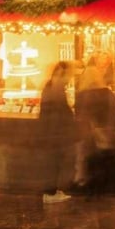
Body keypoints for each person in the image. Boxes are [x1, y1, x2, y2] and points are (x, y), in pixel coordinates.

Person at [75, 54, 115, 199]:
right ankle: (103, 189)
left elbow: (79, 114)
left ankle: (89, 190)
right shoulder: (108, 94)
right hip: (105, 133)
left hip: (88, 134)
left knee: (89, 162)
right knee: (103, 161)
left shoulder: (82, 95)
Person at [38, 61, 75, 204]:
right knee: (53, 162)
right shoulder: (57, 89)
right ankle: (50, 193)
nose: (70, 78)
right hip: (54, 132)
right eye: (69, 75)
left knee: (53, 162)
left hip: (50, 131)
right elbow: (60, 112)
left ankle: (51, 190)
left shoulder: (50, 87)